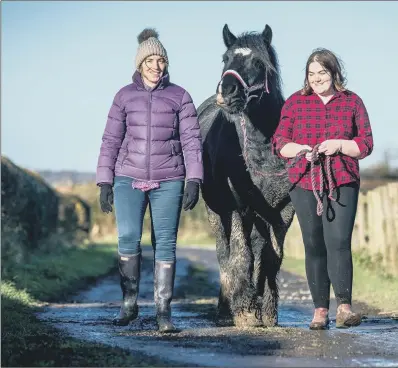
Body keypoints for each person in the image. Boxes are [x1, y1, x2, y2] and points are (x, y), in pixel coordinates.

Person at [96, 28, 203, 333]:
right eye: (150, 61)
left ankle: (163, 312)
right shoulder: (123, 96)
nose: (157, 66)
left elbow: (192, 140)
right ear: (139, 64)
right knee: (128, 239)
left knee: (165, 244)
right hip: (127, 177)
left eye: (161, 60)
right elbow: (110, 140)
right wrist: (105, 181)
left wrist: (194, 178)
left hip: (169, 178)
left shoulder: (180, 96)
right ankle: (129, 303)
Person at [272, 48, 374, 330]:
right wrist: (302, 149)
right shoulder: (295, 103)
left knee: (338, 241)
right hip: (304, 180)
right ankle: (319, 310)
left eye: (322, 72)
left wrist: (340, 144)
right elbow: (279, 142)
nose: (317, 78)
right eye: (312, 73)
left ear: (334, 73)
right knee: (313, 243)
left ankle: (344, 307)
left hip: (341, 178)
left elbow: (365, 144)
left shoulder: (352, 102)